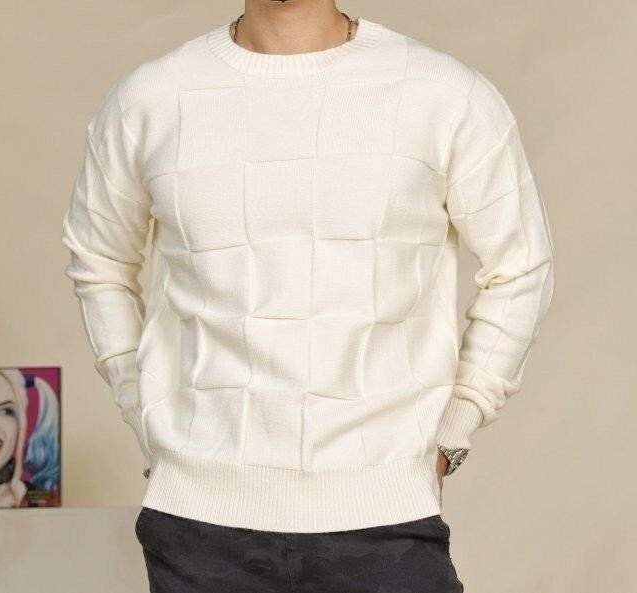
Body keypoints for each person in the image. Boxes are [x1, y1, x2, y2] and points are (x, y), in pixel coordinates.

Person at [61, 1, 555, 591]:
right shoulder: (150, 100)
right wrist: (146, 414)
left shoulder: (445, 95)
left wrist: (456, 424)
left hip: (386, 518)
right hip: (198, 527)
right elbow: (99, 260)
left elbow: (521, 264)